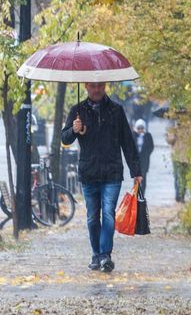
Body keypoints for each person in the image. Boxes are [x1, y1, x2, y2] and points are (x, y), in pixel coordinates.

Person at [61, 81, 142, 273]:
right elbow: (65, 139)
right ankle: (96, 255)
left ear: (104, 86)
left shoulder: (116, 110)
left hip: (111, 172)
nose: (96, 90)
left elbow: (127, 142)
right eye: (92, 86)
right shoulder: (77, 111)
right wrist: (74, 129)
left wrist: (136, 171)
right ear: (87, 87)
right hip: (89, 173)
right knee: (91, 218)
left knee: (108, 214)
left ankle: (105, 254)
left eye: (99, 86)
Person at [134, 118, 155, 190]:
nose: (140, 130)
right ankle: (136, 196)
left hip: (144, 160)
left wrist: (147, 154)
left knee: (143, 177)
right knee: (136, 178)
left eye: (142, 128)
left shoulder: (148, 136)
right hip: (136, 160)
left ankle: (142, 195)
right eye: (139, 128)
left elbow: (151, 147)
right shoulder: (133, 135)